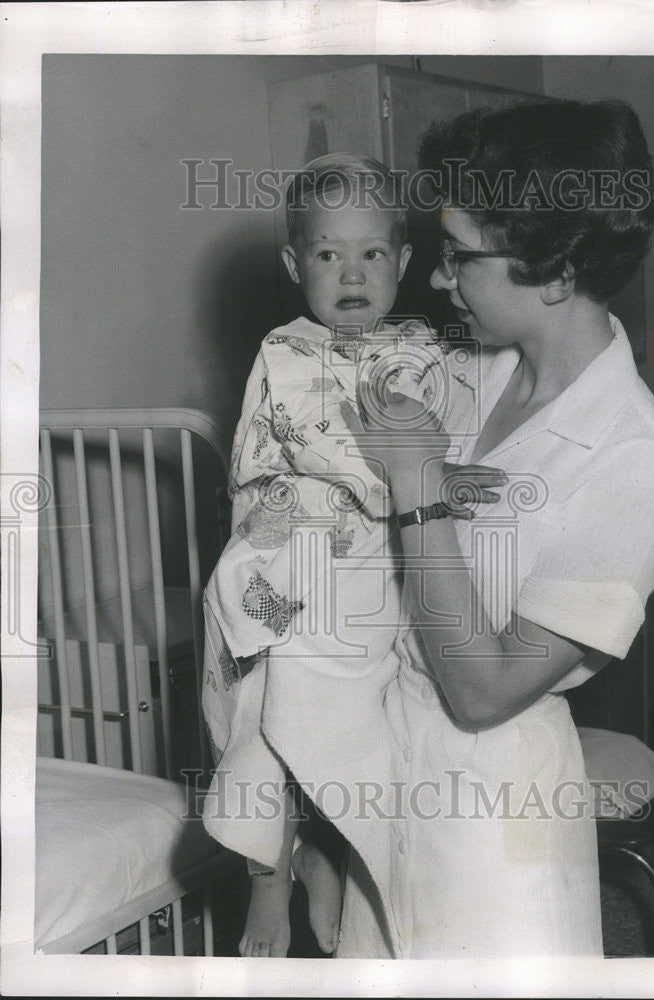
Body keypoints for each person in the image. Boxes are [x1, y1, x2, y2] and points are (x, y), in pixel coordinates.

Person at [332, 98, 654, 957]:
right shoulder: (466, 375)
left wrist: (416, 483)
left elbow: (484, 689)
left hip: (498, 820)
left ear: (557, 270)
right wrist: (325, 831)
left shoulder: (640, 464)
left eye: (459, 255)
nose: (436, 277)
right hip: (380, 768)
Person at [201, 152, 499, 958]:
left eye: (372, 254)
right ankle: (268, 873)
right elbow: (318, 442)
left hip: (381, 549)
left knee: (367, 713)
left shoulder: (426, 348)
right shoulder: (286, 350)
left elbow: (452, 433)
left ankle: (332, 849)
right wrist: (412, 474)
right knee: (267, 696)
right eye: (329, 255)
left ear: (404, 263)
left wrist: (451, 475)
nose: (353, 273)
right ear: (297, 264)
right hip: (289, 541)